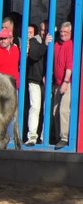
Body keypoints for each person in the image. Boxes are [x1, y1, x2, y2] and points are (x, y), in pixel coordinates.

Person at [25, 24, 52, 146]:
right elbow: (34, 55)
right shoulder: (34, 41)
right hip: (35, 80)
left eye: (46, 30)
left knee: (48, 109)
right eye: (42, 30)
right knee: (35, 108)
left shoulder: (53, 41)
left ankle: (44, 137)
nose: (43, 32)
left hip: (49, 82)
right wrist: (45, 45)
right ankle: (32, 137)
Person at [52, 22, 73, 150]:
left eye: (66, 32)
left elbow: (69, 67)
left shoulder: (70, 45)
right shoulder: (56, 44)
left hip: (66, 83)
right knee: (55, 112)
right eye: (61, 32)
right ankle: (57, 136)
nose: (63, 34)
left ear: (70, 33)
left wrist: (65, 82)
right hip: (56, 83)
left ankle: (64, 138)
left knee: (63, 110)